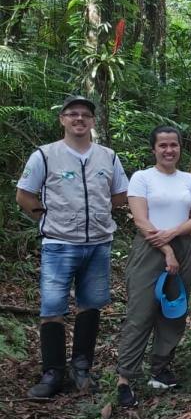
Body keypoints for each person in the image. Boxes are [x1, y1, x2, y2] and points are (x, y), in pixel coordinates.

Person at [16, 95, 129, 399]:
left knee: (90, 305)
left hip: (98, 243)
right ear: (62, 119)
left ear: (92, 121)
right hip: (59, 243)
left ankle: (82, 368)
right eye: (73, 114)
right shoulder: (45, 155)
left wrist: (101, 209)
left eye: (85, 115)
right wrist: (47, 216)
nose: (79, 119)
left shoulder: (108, 156)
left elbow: (121, 194)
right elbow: (25, 195)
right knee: (52, 308)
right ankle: (52, 373)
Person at [116, 126, 191, 407]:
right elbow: (140, 220)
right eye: (163, 145)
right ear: (154, 149)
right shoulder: (142, 178)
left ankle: (160, 369)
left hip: (183, 246)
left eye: (174, 145)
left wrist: (174, 235)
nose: (169, 150)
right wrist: (166, 248)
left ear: (180, 148)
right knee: (141, 312)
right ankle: (125, 378)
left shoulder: (189, 180)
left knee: (174, 311)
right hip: (150, 247)